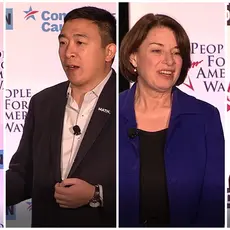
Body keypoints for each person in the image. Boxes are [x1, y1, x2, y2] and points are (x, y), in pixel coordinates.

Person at [6, 6, 116, 227]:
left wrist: (97, 194)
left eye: (80, 43)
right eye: (63, 42)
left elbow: (149, 186)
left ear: (109, 52)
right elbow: (23, 174)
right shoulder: (42, 103)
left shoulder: (131, 103)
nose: (68, 53)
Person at [119, 13, 224, 227]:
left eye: (176, 53)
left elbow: (213, 205)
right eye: (157, 50)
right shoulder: (107, 114)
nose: (169, 61)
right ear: (133, 57)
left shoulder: (205, 118)